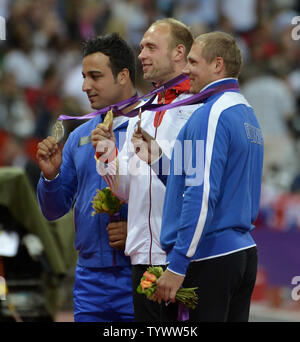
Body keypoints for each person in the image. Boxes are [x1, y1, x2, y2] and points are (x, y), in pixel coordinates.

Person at [93, 18, 201, 322]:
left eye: (151, 47)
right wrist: (106, 154)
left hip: (181, 258)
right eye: (141, 47)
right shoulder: (144, 109)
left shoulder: (198, 107)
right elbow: (125, 190)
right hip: (142, 254)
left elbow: (197, 186)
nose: (141, 55)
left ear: (179, 52)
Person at [155, 31, 264, 322]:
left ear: (218, 65)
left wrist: (177, 265)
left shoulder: (209, 115)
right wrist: (156, 160)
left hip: (208, 256)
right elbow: (196, 180)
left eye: (193, 61)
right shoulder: (246, 113)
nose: (186, 69)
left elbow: (200, 193)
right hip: (241, 253)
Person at [36, 33, 137, 322]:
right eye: (83, 77)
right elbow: (53, 210)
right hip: (90, 279)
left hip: (139, 273)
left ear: (123, 76)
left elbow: (175, 197)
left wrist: (141, 231)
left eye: (95, 76)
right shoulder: (79, 136)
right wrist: (51, 177)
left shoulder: (153, 127)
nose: (85, 86)